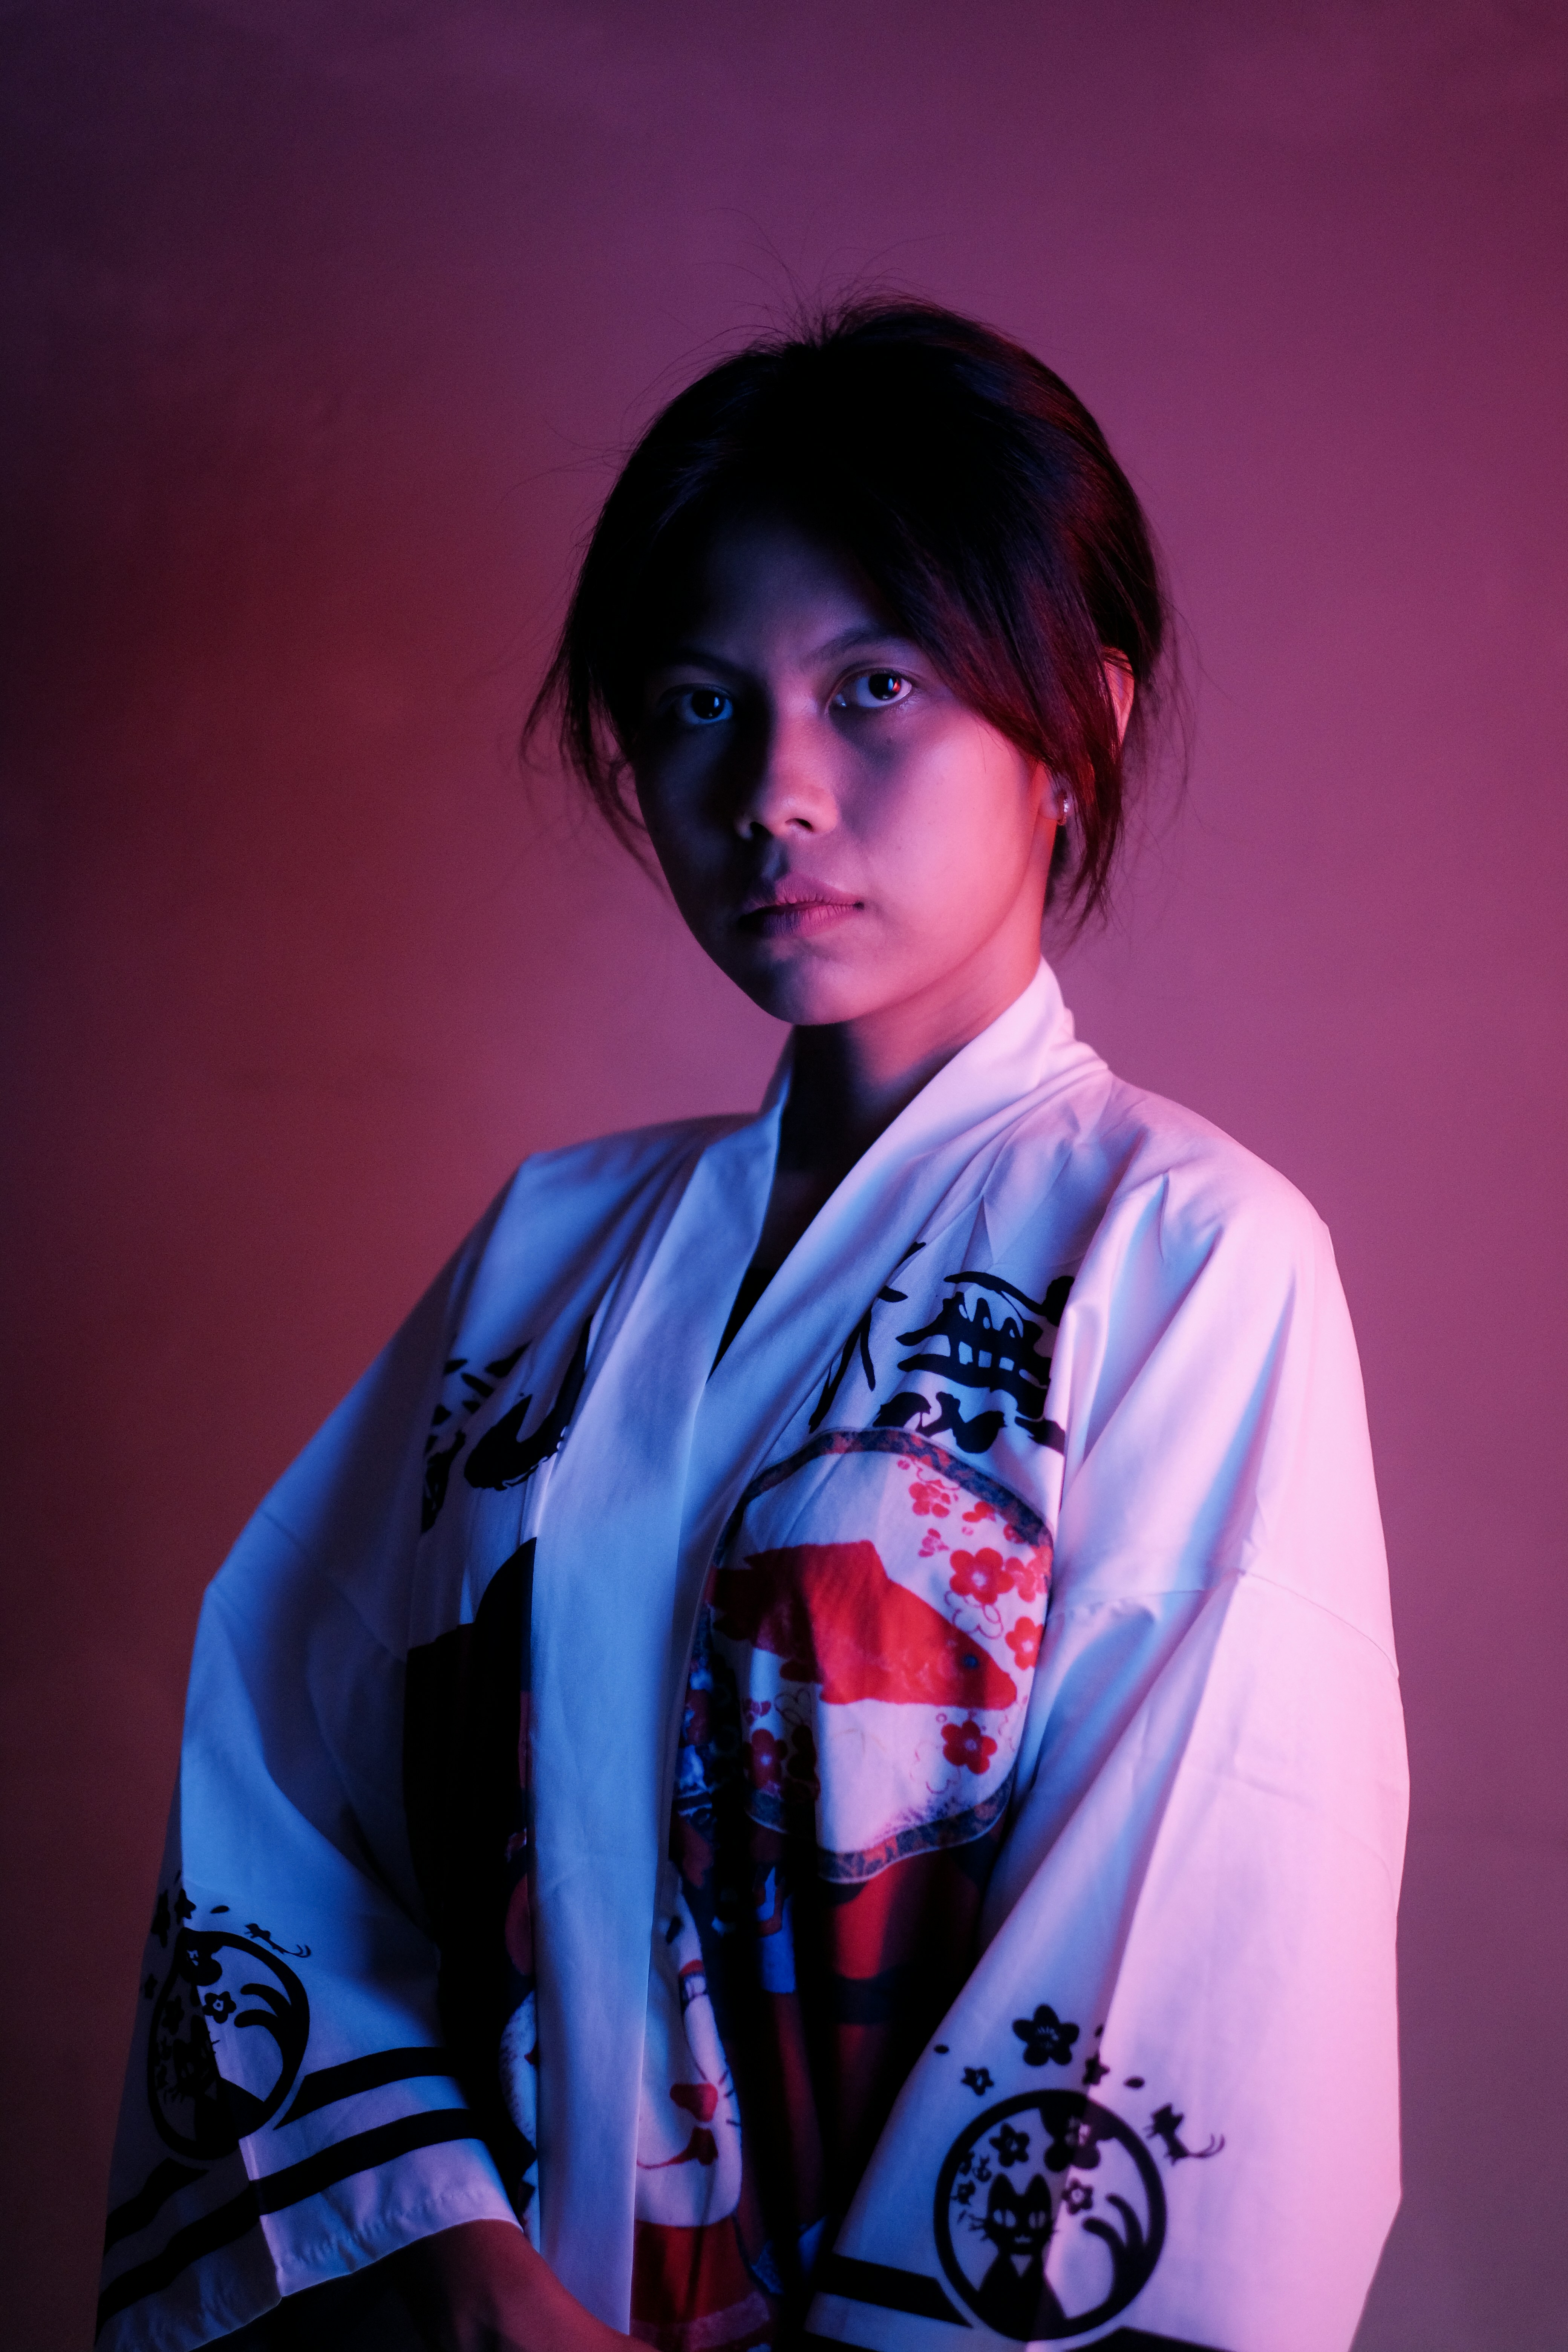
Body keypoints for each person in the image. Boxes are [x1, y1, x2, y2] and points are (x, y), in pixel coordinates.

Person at [99, 302, 1407, 2352]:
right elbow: (281, 1765)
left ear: (1083, 720)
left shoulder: (1184, 1259)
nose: (776, 791)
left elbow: (1183, 1920)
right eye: (704, 706)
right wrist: (451, 2247)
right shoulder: (550, 1252)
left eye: (875, 687)